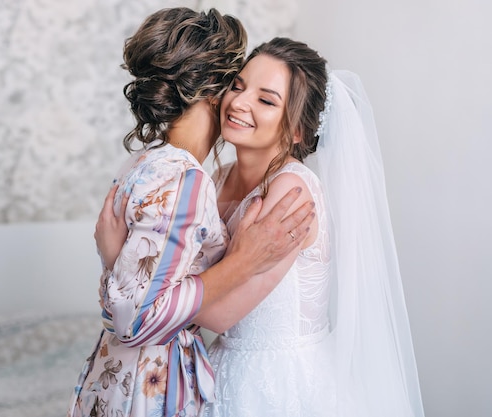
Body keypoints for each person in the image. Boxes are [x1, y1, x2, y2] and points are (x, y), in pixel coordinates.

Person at [67, 10, 315, 417]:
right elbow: (137, 318)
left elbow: (125, 299)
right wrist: (243, 262)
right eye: (236, 84)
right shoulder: (189, 180)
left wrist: (112, 263)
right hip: (146, 389)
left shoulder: (144, 163)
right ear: (213, 90)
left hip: (114, 376)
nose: (239, 101)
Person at [196, 38, 425, 416]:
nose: (238, 102)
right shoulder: (218, 177)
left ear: (298, 131)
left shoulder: (292, 190)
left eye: (266, 100)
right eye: (238, 85)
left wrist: (148, 287)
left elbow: (218, 315)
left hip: (280, 381)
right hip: (221, 366)